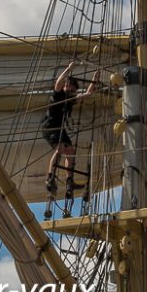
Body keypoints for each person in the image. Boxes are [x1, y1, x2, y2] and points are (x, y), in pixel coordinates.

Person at [42, 62, 97, 207]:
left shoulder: (71, 99)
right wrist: (69, 69)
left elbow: (88, 94)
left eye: (74, 89)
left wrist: (94, 79)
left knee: (70, 152)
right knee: (59, 148)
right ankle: (50, 178)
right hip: (49, 126)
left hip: (60, 128)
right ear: (68, 85)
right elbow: (59, 82)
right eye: (72, 87)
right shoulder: (59, 93)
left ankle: (69, 182)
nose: (72, 90)